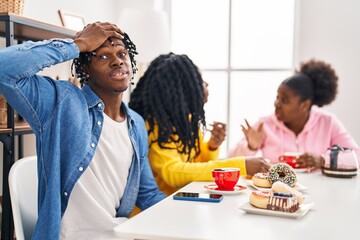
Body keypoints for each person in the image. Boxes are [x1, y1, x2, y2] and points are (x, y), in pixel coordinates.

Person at [0, 22, 166, 239]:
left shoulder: (135, 123)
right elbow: (4, 69)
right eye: (103, 57)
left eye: (122, 53)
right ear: (86, 69)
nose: (117, 61)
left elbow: (147, 194)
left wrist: (187, 212)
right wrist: (77, 45)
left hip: (118, 234)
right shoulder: (62, 102)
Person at [129, 52, 270, 195]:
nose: (206, 84)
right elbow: (172, 173)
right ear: (183, 89)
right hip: (156, 209)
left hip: (180, 203)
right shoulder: (154, 125)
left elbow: (195, 165)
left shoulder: (185, 121)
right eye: (200, 80)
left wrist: (212, 146)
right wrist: (241, 165)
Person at [228, 59, 360, 169]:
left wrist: (322, 160)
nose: (277, 104)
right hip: (277, 194)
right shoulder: (265, 124)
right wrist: (251, 146)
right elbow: (231, 161)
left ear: (304, 105)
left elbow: (356, 157)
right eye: (277, 97)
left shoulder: (328, 123)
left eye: (284, 100)